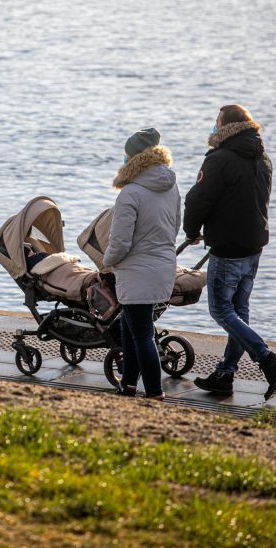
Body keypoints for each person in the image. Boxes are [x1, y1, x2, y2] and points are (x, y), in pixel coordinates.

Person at [183, 104, 276, 400]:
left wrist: (191, 232)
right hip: (253, 246)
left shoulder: (219, 160)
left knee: (221, 309)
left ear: (226, 127)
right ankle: (225, 374)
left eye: (216, 122)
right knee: (239, 311)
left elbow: (197, 200)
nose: (213, 127)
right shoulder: (263, 158)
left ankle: (268, 359)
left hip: (228, 247)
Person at [103, 127, 181, 400]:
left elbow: (120, 242)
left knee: (143, 335)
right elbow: (175, 228)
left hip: (136, 271)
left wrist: (107, 262)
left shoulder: (130, 193)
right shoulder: (171, 186)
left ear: (134, 159)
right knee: (129, 325)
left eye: (125, 156)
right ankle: (128, 384)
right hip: (162, 266)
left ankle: (155, 392)